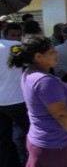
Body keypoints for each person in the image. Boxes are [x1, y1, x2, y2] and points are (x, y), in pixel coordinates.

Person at [7, 35, 67, 167]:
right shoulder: (45, 81)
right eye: (52, 52)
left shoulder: (28, 73)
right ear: (38, 57)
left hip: (44, 142)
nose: (56, 53)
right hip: (55, 148)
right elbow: (61, 114)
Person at [0, 37, 30, 167]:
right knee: (35, 134)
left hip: (5, 100)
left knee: (3, 141)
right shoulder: (14, 45)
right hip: (17, 99)